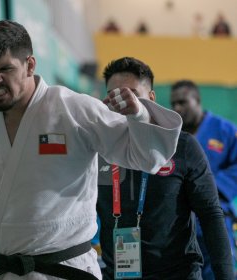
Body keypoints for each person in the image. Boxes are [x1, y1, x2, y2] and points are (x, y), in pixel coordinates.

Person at [0, 20, 182, 280]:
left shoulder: (75, 109)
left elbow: (147, 157)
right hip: (2, 270)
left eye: (5, 69)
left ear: (30, 65)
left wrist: (139, 116)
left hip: (66, 270)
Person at [97, 57, 234, 280]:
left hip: (178, 274)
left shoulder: (183, 147)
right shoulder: (99, 149)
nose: (123, 103)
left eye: (132, 94)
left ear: (151, 98)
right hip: (118, 274)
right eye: (114, 95)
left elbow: (210, 215)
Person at [170, 80, 237, 280]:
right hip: (180, 219)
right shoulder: (172, 135)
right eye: (173, 104)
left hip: (215, 214)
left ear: (197, 100)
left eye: (183, 102)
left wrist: (208, 186)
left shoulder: (225, 130)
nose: (177, 108)